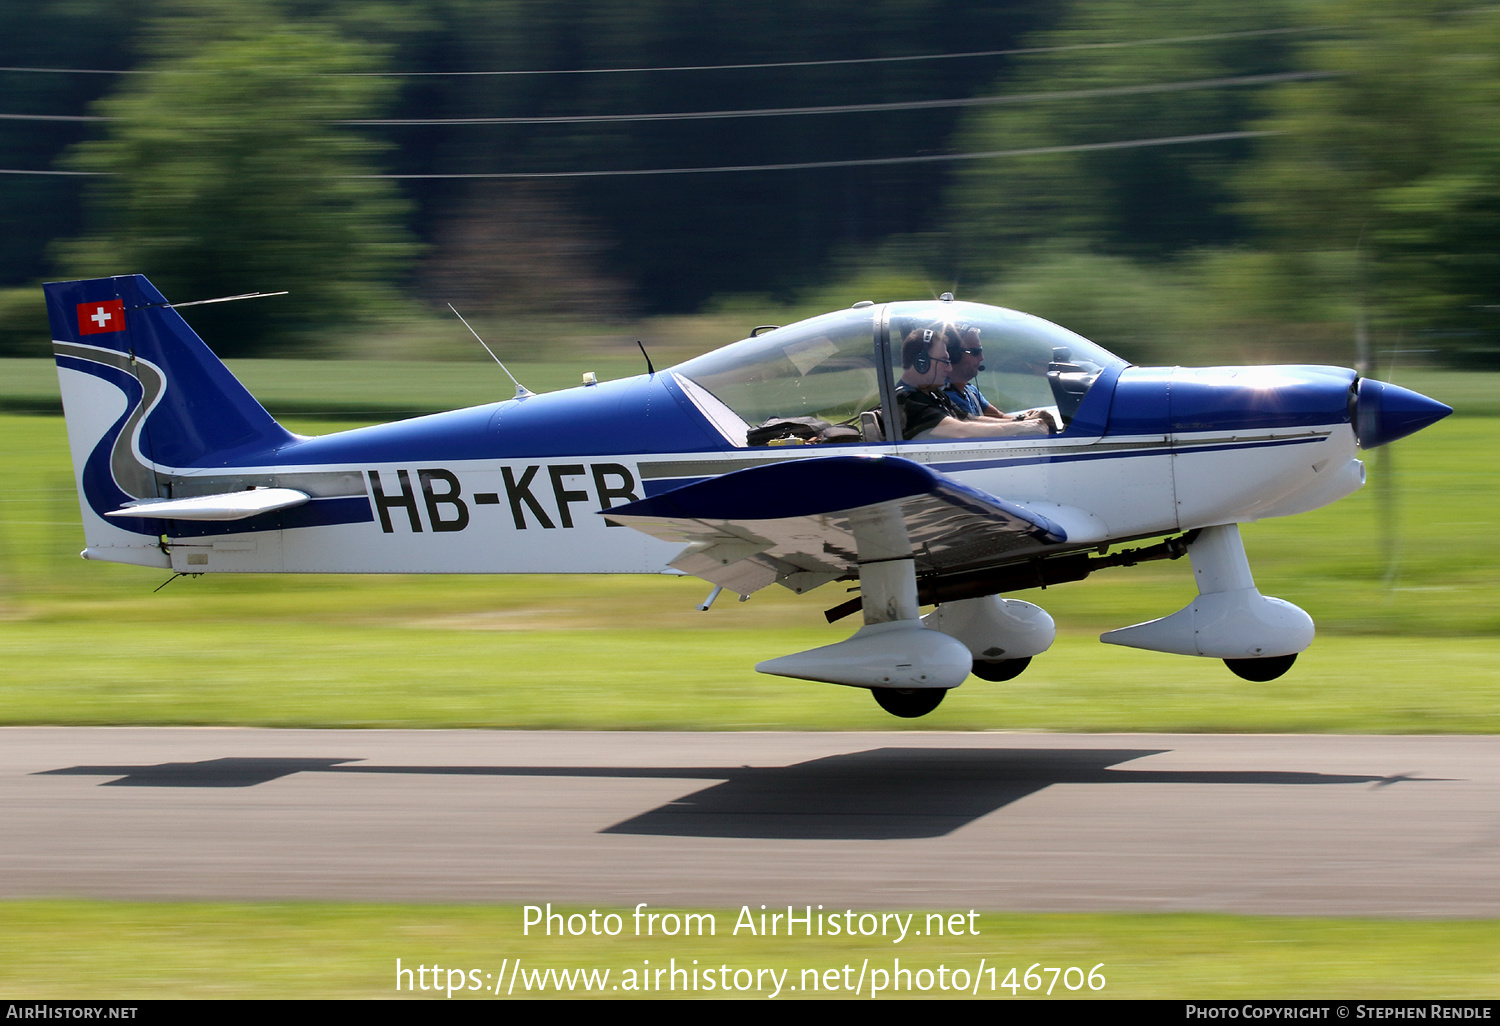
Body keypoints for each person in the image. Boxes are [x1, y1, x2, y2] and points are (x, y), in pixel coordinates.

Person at [895, 325, 1054, 441]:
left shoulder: (934, 395)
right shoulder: (909, 401)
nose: (949, 368)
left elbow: (970, 419)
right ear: (922, 363)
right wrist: (1023, 426)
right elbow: (962, 430)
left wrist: (1023, 420)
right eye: (944, 361)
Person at [944, 324, 1059, 431]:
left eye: (981, 351)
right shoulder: (946, 397)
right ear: (954, 355)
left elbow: (1000, 416)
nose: (981, 358)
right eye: (975, 352)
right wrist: (1025, 422)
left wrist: (1027, 417)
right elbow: (974, 427)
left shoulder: (971, 391)